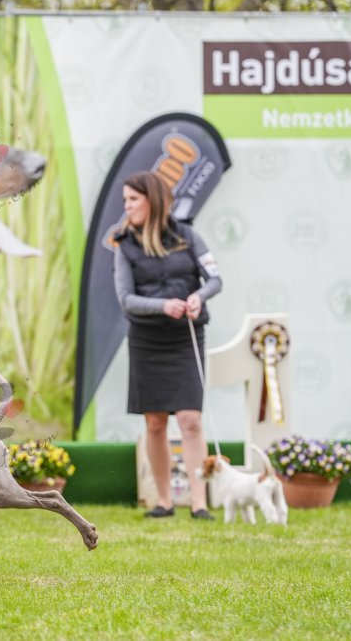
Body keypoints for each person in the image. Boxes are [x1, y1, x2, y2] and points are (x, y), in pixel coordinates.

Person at [112, 171, 223, 521]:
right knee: (155, 422)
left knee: (191, 420)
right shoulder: (124, 245)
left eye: (133, 199)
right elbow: (126, 300)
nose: (127, 206)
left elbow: (215, 279)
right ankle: (164, 501)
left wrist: (198, 297)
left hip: (186, 338)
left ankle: (200, 502)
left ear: (153, 201)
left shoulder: (187, 235)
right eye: (126, 200)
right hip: (147, 341)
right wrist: (163, 306)